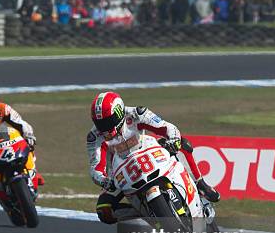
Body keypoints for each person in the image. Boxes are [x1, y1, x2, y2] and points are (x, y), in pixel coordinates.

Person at [86, 92, 220, 225]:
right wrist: (104, 181)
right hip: (121, 173)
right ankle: (144, 212)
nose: (105, 128)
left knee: (182, 144)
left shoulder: (136, 113)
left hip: (148, 152)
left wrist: (174, 139)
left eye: (108, 121)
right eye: (100, 123)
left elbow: (166, 127)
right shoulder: (94, 137)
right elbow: (95, 168)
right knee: (103, 211)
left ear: (119, 114)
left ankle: (200, 184)